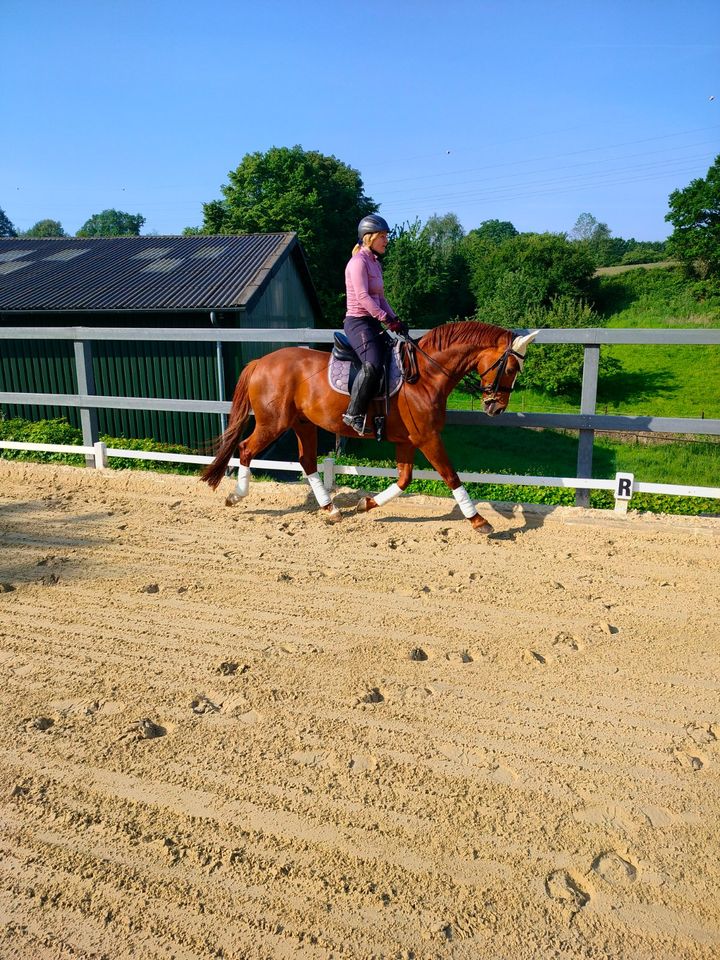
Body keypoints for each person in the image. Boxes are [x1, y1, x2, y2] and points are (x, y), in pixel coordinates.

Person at [341, 214, 407, 435]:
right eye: (383, 236)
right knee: (372, 365)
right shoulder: (357, 263)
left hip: (373, 320)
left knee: (394, 358)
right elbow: (362, 297)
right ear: (369, 237)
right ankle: (353, 413)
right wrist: (385, 319)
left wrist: (395, 319)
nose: (386, 240)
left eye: (386, 236)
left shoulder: (375, 263)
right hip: (358, 322)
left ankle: (382, 413)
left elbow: (380, 297)